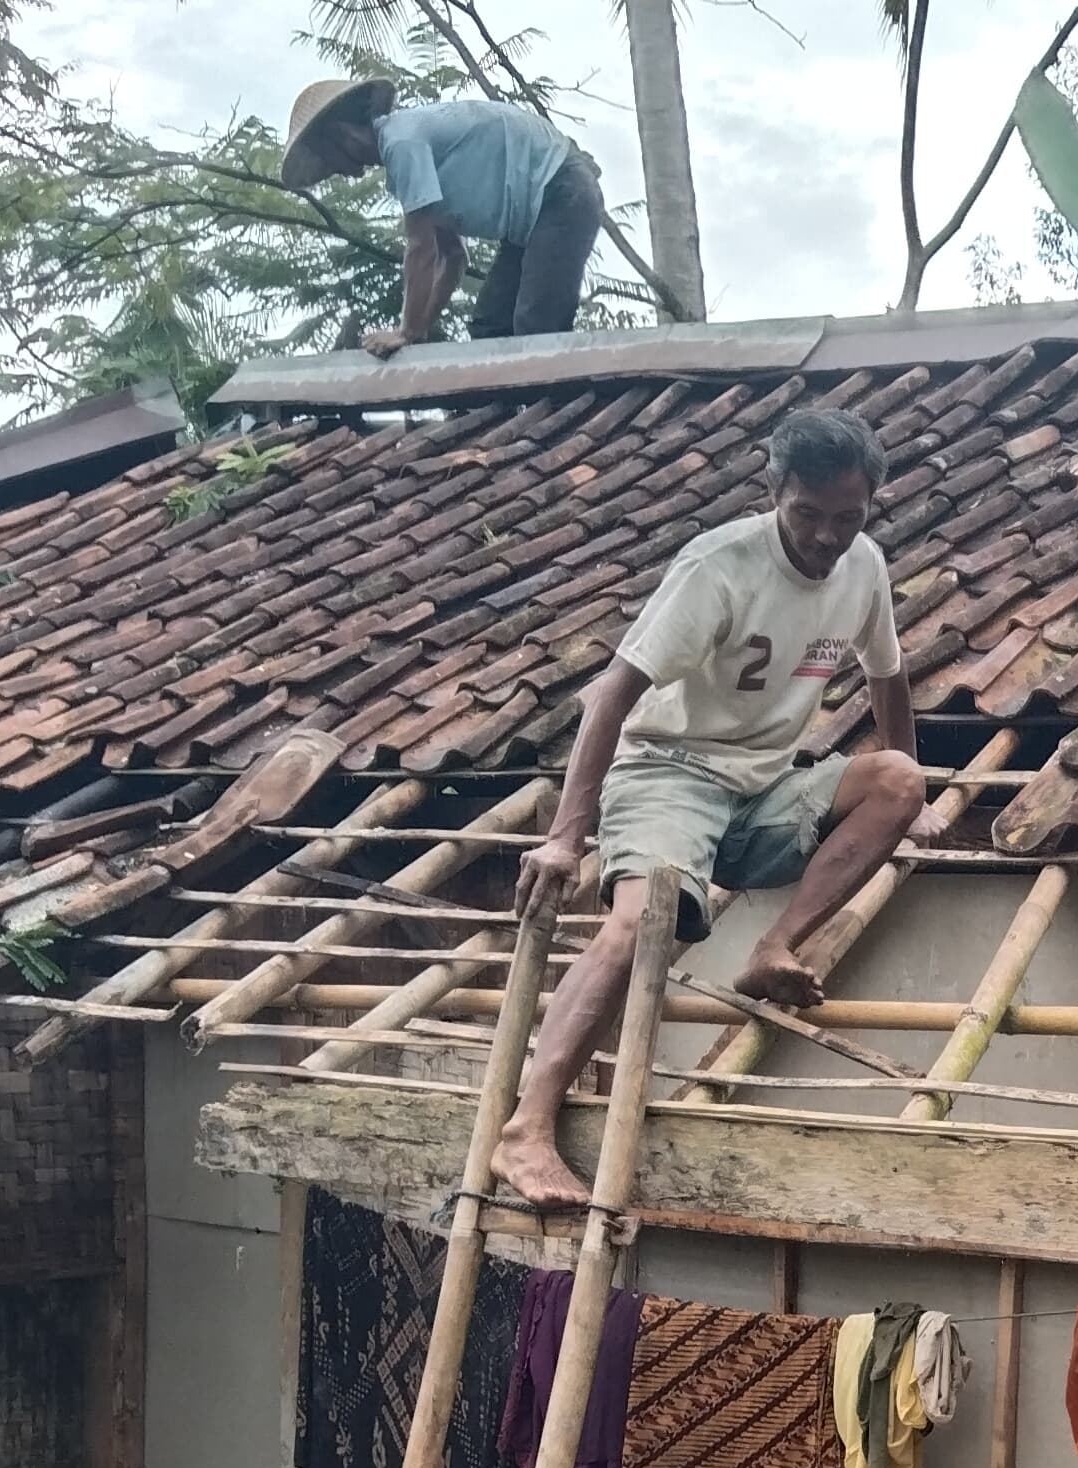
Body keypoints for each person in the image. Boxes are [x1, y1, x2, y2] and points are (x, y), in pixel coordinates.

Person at [498, 406, 926, 1206]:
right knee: (640, 924)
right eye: (808, 513)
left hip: (763, 788)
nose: (827, 536)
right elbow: (612, 695)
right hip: (670, 771)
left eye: (848, 517)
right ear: (775, 492)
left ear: (870, 505)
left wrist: (917, 798)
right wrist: (566, 836)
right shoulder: (720, 565)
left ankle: (773, 947)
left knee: (899, 780)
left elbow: (888, 676)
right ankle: (526, 1128)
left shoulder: (864, 566)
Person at [279, 79, 606, 350]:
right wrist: (419, 328)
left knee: (537, 327)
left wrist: (405, 331)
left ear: (342, 134)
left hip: (561, 193)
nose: (335, 169)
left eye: (328, 157)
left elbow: (421, 248)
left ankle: (557, 404)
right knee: (491, 328)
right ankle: (505, 409)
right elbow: (452, 257)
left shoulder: (402, 143)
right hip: (531, 220)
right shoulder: (409, 155)